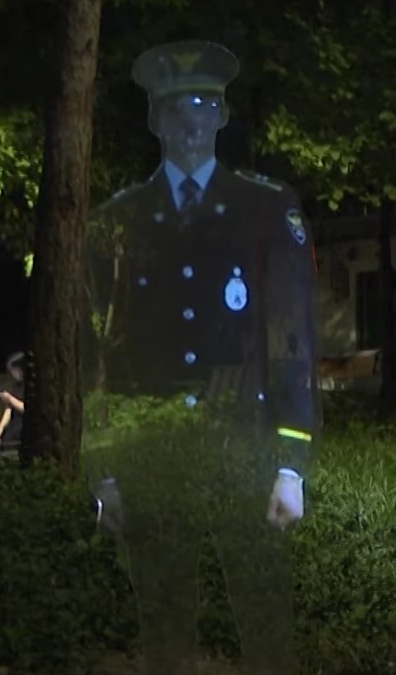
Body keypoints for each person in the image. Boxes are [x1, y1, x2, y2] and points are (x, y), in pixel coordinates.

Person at [81, 40, 320, 675]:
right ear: (155, 120)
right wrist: (104, 470)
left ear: (222, 116)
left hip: (245, 453)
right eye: (176, 107)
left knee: (267, 630)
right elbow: (96, 354)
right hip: (153, 462)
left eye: (205, 103)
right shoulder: (117, 223)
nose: (192, 118)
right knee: (163, 635)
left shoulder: (267, 209)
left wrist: (292, 464)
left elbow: (291, 339)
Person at [0, 352, 25, 448]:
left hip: (23, 426)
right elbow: (8, 409)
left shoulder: (30, 387)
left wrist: (10, 399)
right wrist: (1, 427)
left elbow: (28, 409)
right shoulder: (16, 386)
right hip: (13, 425)